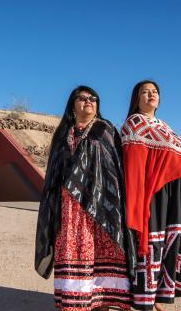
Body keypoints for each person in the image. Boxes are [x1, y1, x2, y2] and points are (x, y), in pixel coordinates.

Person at [35, 85, 136, 311]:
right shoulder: (63, 133)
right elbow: (54, 171)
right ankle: (74, 302)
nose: (88, 101)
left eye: (93, 98)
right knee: (72, 250)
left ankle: (101, 304)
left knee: (101, 254)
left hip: (102, 207)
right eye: (82, 98)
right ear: (73, 104)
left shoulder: (106, 130)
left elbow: (115, 169)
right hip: (70, 207)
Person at [121, 80, 181, 311]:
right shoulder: (134, 124)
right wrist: (138, 201)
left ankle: (158, 295)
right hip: (152, 194)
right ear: (136, 99)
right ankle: (143, 297)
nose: (151, 95)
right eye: (145, 92)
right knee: (151, 244)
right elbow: (133, 167)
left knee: (169, 242)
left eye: (155, 92)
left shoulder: (163, 125)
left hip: (172, 194)